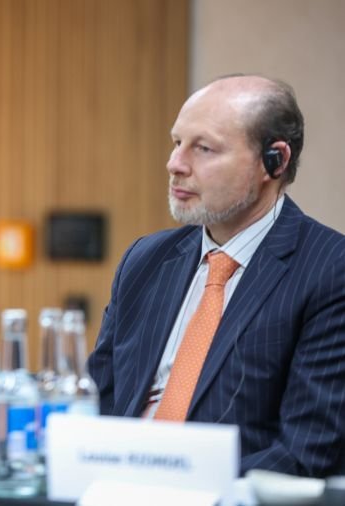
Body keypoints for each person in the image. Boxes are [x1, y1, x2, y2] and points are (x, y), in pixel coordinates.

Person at [88, 75, 345, 477]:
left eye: (203, 148)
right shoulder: (145, 259)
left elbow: (307, 449)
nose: (175, 165)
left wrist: (177, 489)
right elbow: (97, 402)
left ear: (274, 160)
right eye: (177, 143)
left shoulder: (330, 270)